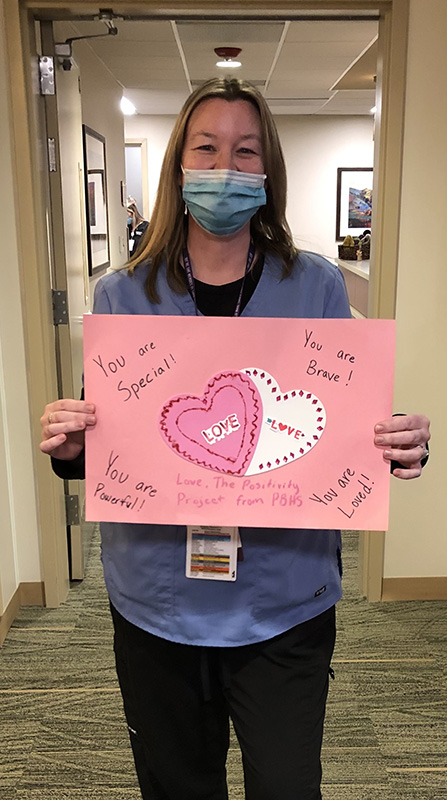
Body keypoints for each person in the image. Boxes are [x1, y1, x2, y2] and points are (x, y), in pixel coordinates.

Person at [40, 78, 430, 800]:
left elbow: (345, 418)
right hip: (156, 600)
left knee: (286, 784)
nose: (226, 167)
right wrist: (73, 449)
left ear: (266, 171)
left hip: (284, 600)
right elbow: (117, 446)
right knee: (177, 785)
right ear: (179, 167)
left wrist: (400, 442)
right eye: (207, 148)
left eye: (245, 151)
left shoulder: (314, 284)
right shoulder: (122, 293)